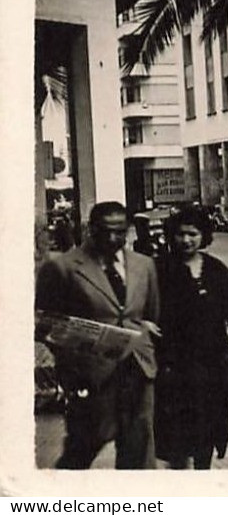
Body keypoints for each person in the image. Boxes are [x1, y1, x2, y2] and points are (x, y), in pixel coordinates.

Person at [35, 201, 162, 469]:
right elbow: (45, 325)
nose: (113, 238)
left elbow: (150, 314)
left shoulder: (144, 265)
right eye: (105, 231)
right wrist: (78, 357)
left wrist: (144, 332)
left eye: (120, 231)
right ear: (91, 229)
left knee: (139, 454)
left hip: (138, 370)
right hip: (91, 378)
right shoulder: (63, 268)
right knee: (82, 449)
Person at [154, 205, 228, 469]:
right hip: (174, 366)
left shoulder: (217, 271)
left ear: (204, 235)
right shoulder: (159, 269)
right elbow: (142, 306)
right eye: (181, 234)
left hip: (214, 364)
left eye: (193, 233)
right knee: (177, 435)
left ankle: (202, 474)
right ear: (172, 236)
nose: (186, 240)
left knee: (209, 428)